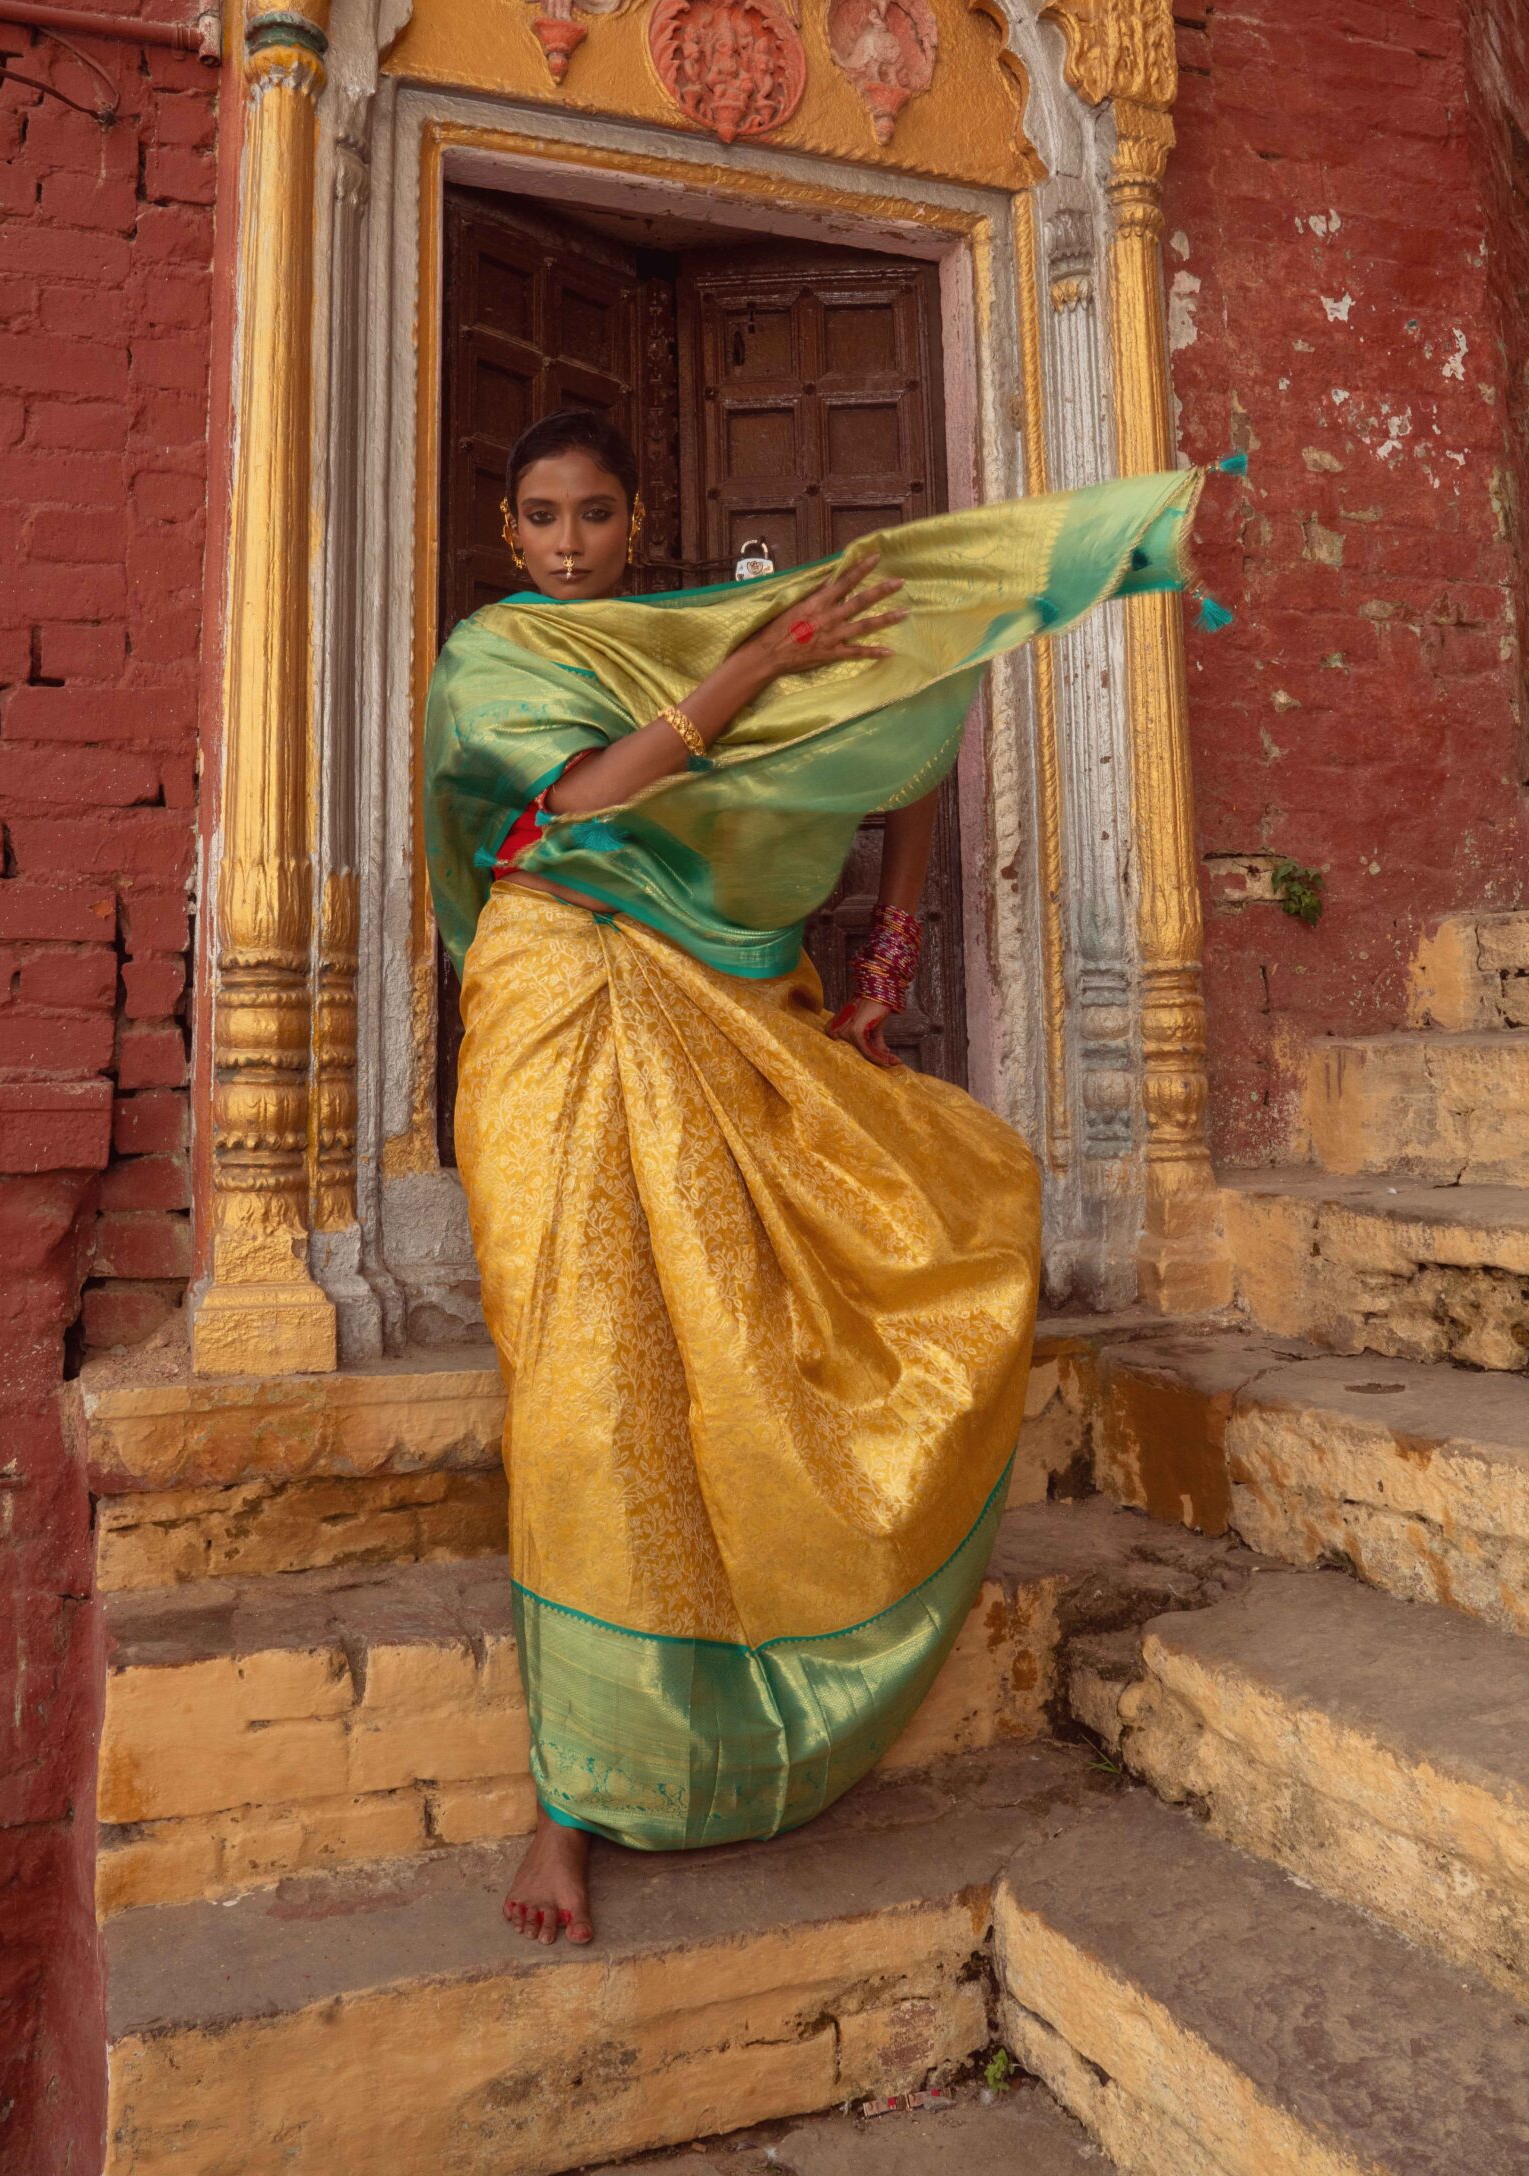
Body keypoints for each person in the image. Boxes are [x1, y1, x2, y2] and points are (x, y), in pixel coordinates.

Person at [425, 406, 1204, 1948]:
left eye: (593, 514)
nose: (569, 541)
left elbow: (910, 730)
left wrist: (889, 957)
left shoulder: (710, 632)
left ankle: (757, 1682)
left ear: (635, 522)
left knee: (851, 1271)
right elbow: (576, 805)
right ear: (508, 536)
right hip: (554, 1011)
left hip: (732, 1011)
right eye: (542, 517)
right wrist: (755, 671)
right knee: (586, 1386)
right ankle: (568, 1804)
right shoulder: (493, 662)